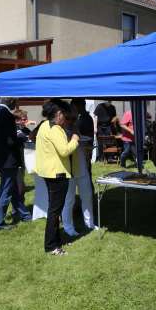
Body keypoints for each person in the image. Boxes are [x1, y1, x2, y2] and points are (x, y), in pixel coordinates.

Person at [35, 100, 79, 255]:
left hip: (49, 172)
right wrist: (74, 139)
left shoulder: (44, 125)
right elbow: (65, 151)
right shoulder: (55, 130)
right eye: (63, 114)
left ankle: (56, 241)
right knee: (55, 211)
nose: (64, 117)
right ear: (58, 114)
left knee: (54, 210)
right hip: (57, 174)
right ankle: (51, 246)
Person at [0, 98, 31, 230]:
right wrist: (20, 139)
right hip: (8, 159)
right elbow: (10, 140)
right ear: (12, 103)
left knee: (11, 189)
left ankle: (25, 214)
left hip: (2, 158)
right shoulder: (6, 114)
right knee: (6, 191)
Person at [62, 98, 96, 237]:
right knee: (69, 199)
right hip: (68, 168)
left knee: (87, 196)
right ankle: (68, 227)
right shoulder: (62, 127)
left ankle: (90, 224)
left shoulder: (79, 123)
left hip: (81, 166)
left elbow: (85, 140)